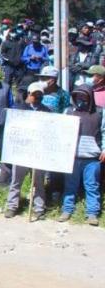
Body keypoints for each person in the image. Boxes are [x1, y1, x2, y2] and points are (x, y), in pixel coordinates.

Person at [3, 82, 49, 220]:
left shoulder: (46, 111)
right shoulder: (19, 109)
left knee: (38, 182)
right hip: (21, 151)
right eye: (35, 94)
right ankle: (12, 206)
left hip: (37, 152)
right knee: (16, 180)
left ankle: (39, 207)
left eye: (40, 95)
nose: (37, 97)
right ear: (29, 94)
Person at [59, 85, 103, 226]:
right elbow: (59, 131)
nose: (81, 99)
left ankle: (92, 213)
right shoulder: (68, 112)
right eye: (78, 96)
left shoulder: (100, 113)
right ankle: (67, 210)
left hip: (92, 158)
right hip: (72, 158)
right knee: (70, 185)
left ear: (90, 96)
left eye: (84, 96)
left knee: (92, 186)